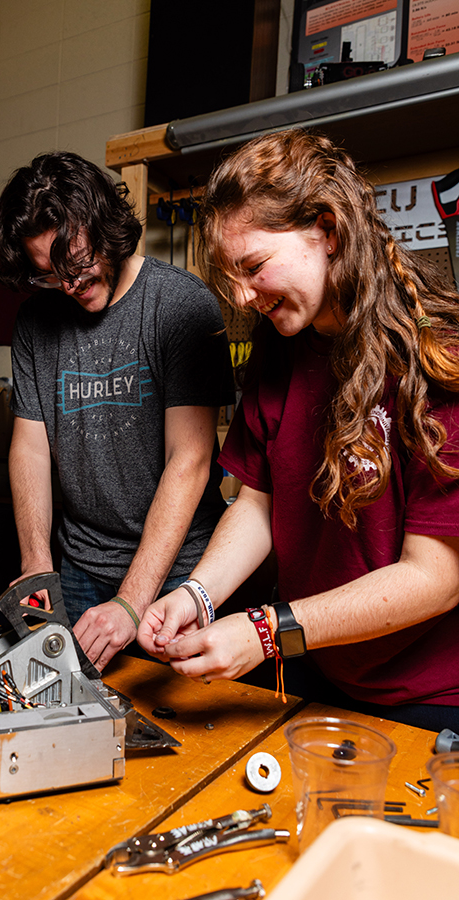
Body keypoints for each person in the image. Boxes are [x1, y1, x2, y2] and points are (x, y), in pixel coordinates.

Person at [137, 129, 459, 732]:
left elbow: (436, 577)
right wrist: (197, 596)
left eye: (254, 267)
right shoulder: (282, 347)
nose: (241, 295)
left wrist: (267, 631)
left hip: (431, 700)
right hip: (320, 675)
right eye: (231, 276)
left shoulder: (438, 357)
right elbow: (260, 504)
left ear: (327, 231)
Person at [0, 151, 234, 670]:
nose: (72, 287)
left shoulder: (179, 305)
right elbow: (30, 446)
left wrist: (132, 600)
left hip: (178, 570)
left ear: (106, 227)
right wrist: (37, 565)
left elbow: (189, 460)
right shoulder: (36, 322)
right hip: (78, 566)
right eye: (51, 276)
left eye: (78, 266)